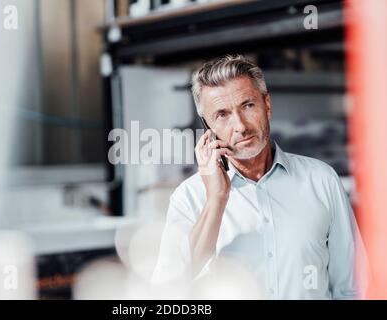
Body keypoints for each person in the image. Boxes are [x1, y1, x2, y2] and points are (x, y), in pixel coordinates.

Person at [152, 54, 367, 299]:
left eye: (247, 105)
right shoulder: (189, 197)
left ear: (267, 105)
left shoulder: (321, 180)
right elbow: (168, 290)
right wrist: (216, 199)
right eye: (222, 114)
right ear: (207, 127)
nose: (241, 126)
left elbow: (352, 286)